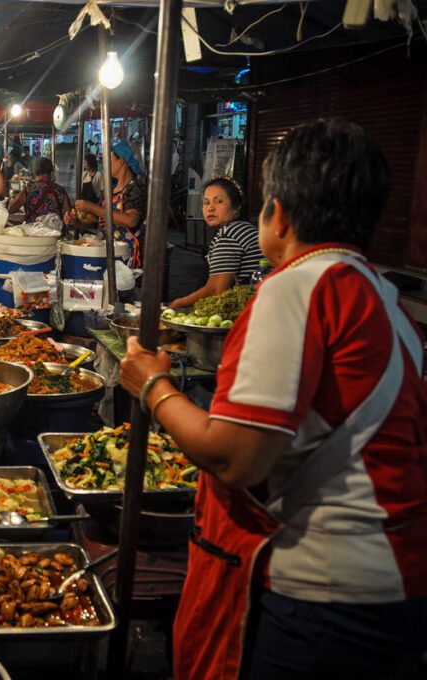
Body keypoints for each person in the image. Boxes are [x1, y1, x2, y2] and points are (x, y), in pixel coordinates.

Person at [120, 120, 427, 679]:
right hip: (394, 585)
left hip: (322, 597)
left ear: (278, 214)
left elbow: (234, 457)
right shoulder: (388, 301)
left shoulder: (297, 287)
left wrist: (151, 385)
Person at [168, 177, 263, 310]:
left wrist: (178, 304)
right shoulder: (245, 228)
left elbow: (216, 290)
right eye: (206, 203)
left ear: (236, 207)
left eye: (219, 201)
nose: (210, 208)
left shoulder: (230, 235)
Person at [66, 139, 146, 265]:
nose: (105, 163)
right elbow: (101, 226)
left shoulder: (135, 188)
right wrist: (77, 223)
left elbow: (131, 220)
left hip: (126, 258)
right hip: (107, 255)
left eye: (110, 159)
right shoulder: (112, 191)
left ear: (122, 161)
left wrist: (92, 207)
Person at [8, 157, 70, 223]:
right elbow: (69, 213)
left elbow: (11, 209)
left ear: (35, 172)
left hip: (35, 231)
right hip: (57, 232)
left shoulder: (29, 189)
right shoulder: (60, 190)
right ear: (51, 171)